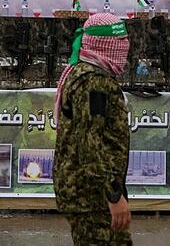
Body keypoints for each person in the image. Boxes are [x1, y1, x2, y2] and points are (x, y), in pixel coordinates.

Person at [54, 13, 132, 245]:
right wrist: (113, 195)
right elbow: (90, 143)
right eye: (120, 42)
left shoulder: (85, 73)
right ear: (104, 45)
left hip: (92, 193)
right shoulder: (93, 82)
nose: (124, 48)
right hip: (91, 196)